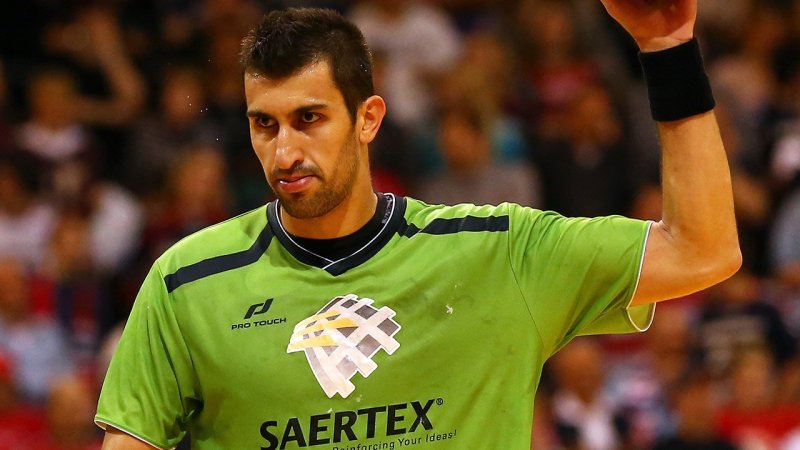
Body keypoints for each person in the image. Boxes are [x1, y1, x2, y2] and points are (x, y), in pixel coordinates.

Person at [96, 3, 742, 449]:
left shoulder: (497, 252)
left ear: (369, 118)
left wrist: (668, 51)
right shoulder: (188, 281)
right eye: (265, 124)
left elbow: (701, 250)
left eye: (309, 119)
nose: (285, 151)